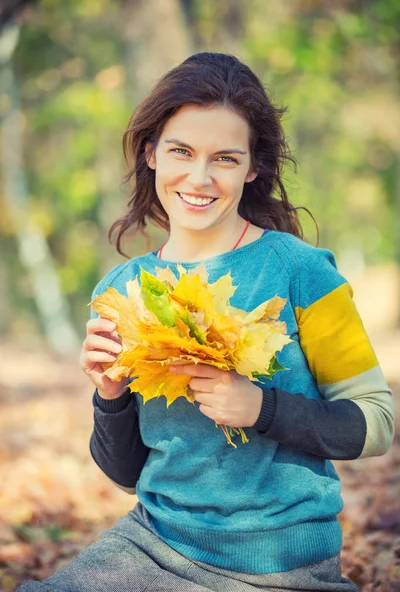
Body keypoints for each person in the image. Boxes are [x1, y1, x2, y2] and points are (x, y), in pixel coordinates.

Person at [18, 52, 394, 592]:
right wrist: (110, 394)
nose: (199, 177)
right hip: (153, 544)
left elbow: (376, 422)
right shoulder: (122, 291)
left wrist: (261, 408)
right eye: (181, 151)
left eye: (224, 158)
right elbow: (127, 475)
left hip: (279, 563)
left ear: (253, 166)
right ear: (151, 153)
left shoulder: (299, 271)